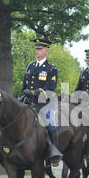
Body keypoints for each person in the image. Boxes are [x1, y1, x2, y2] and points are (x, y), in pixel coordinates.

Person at [20, 38, 62, 166]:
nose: (37, 51)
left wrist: (34, 92)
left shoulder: (51, 68)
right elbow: (24, 85)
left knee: (50, 123)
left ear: (46, 50)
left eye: (40, 49)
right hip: (28, 102)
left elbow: (50, 88)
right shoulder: (30, 66)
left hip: (44, 103)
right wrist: (22, 95)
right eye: (36, 49)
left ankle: (54, 152)